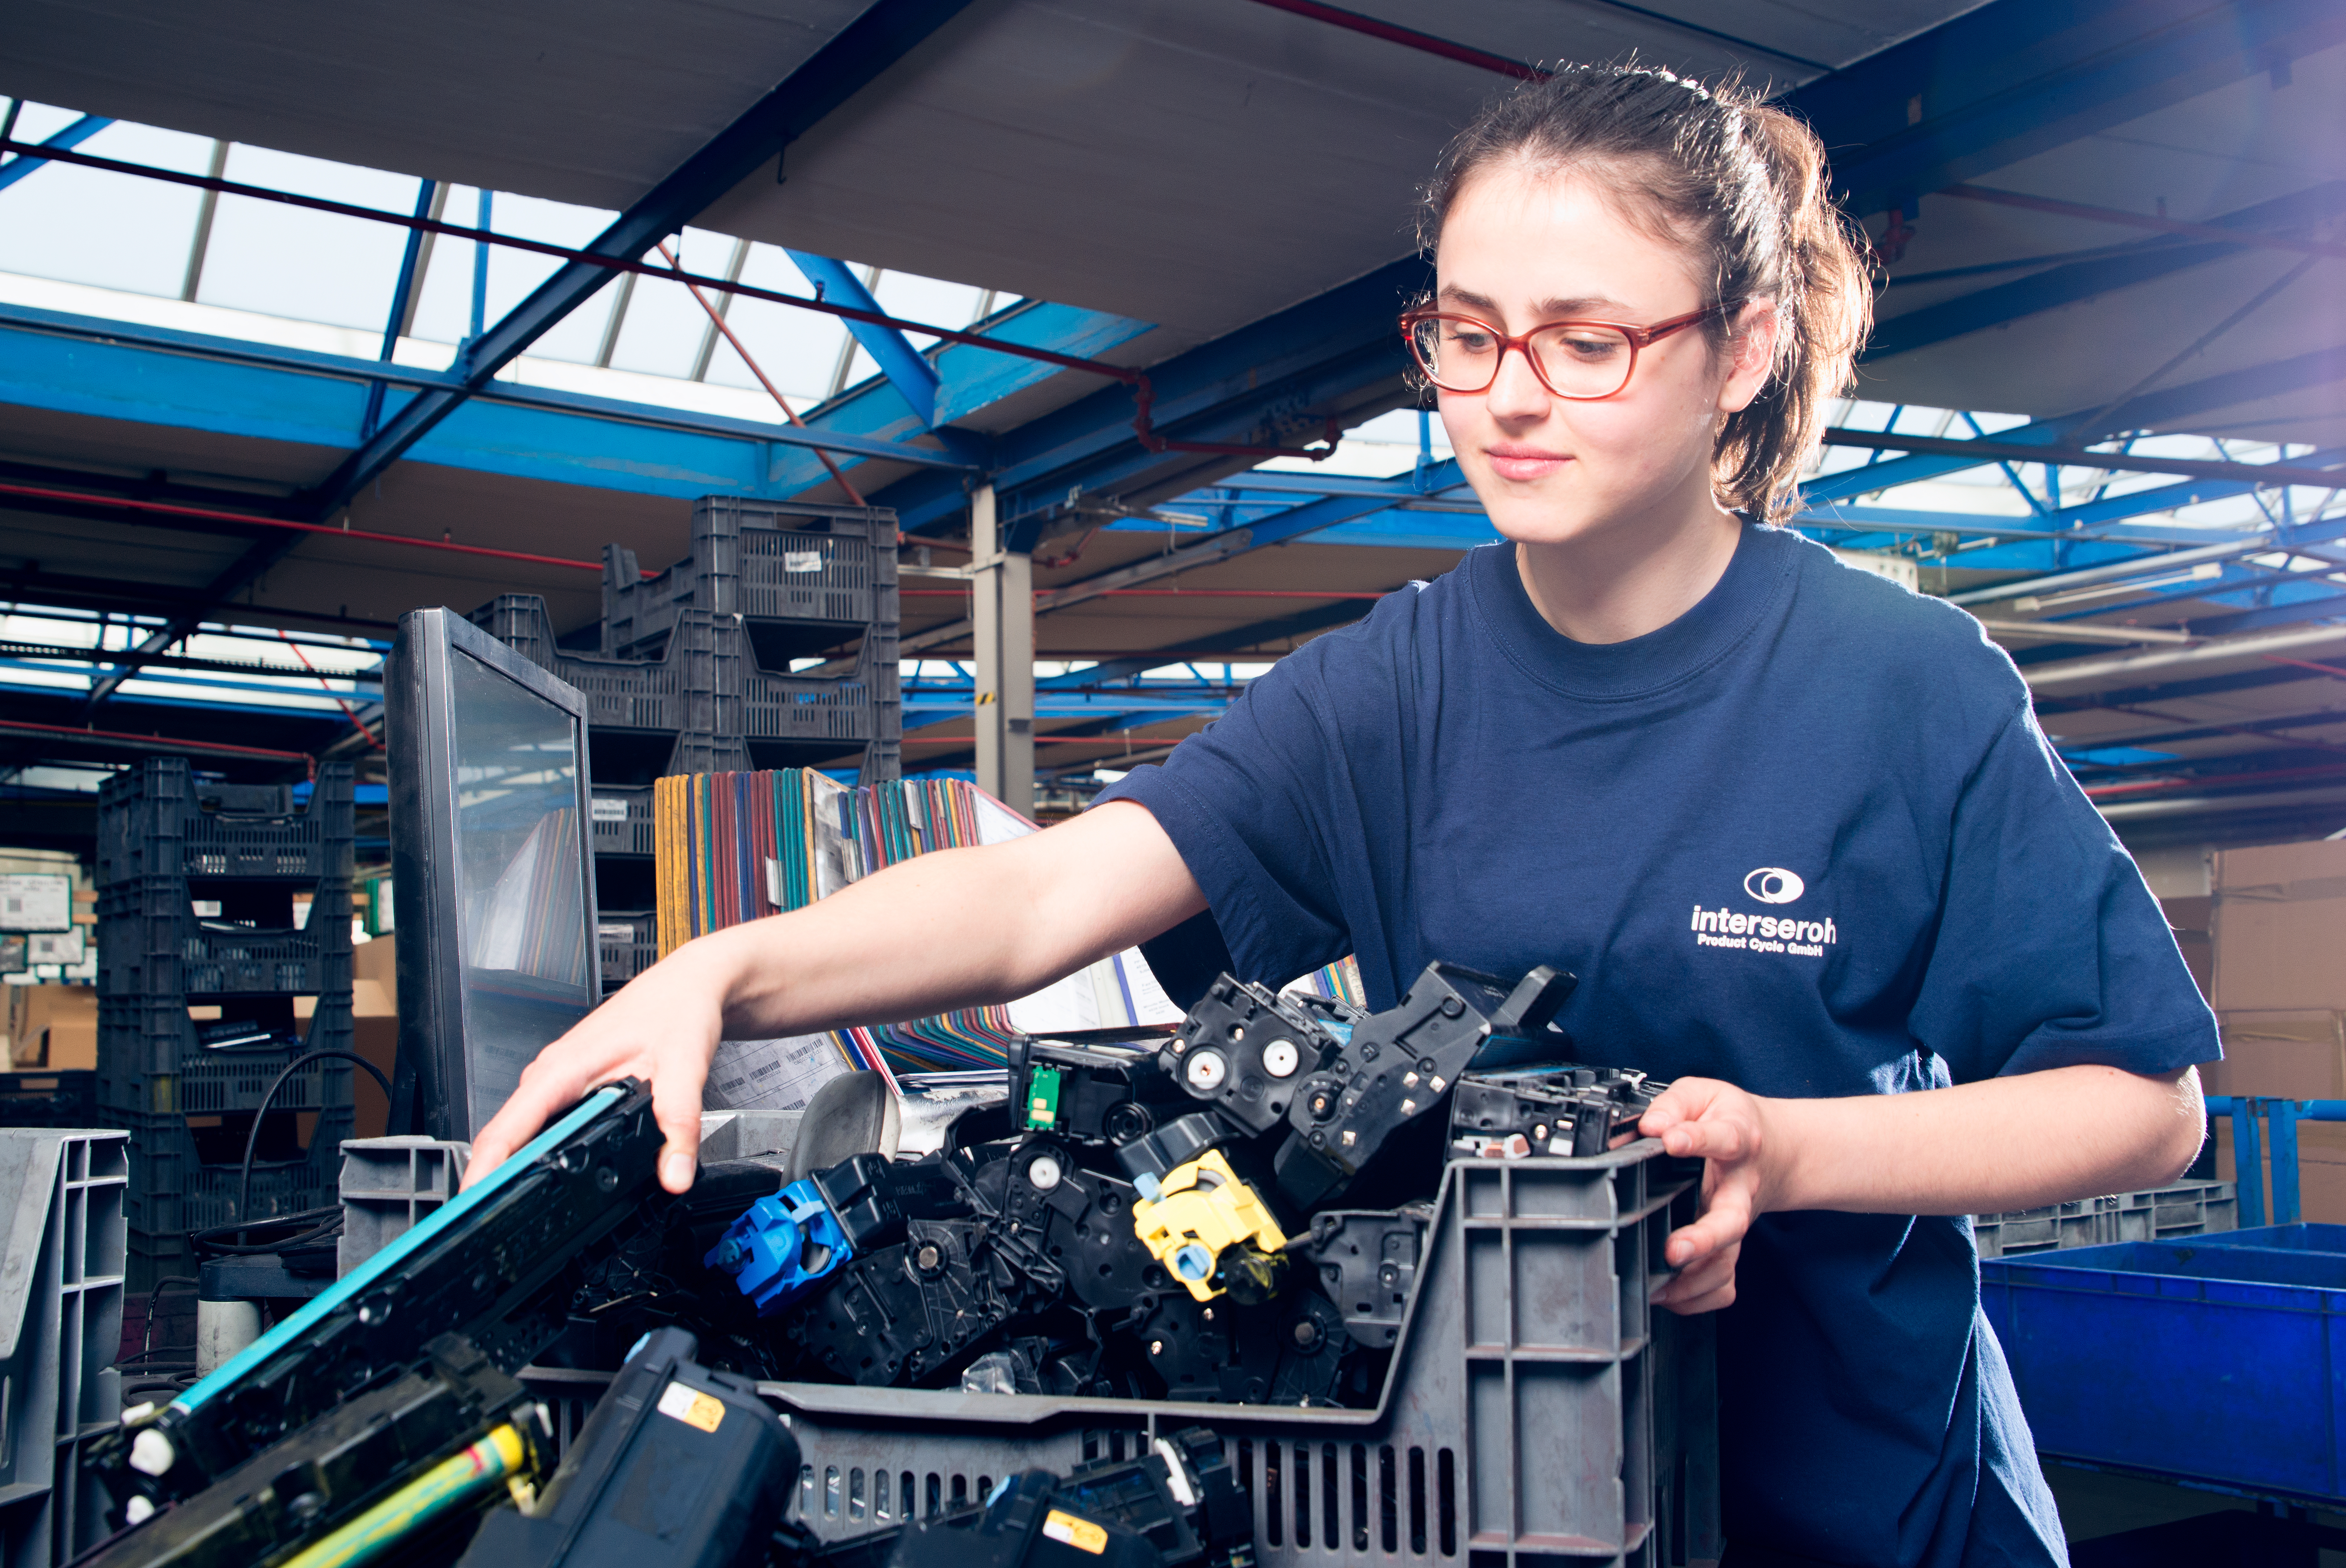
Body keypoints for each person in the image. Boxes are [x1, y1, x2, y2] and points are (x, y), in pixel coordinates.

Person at [469, 63, 2214, 1568]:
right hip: (1511, 1504)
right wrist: (725, 970)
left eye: (1588, 339)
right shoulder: (1409, 677)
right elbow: (1047, 894)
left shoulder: (1902, 681)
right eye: (1467, 332)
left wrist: (1792, 1146)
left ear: (1741, 350)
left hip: (1856, 1497)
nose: (1511, 393)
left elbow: (2146, 1103)